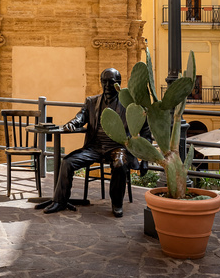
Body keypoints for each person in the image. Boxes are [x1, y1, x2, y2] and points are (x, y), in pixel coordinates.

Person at [44, 67, 149, 217]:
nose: (106, 86)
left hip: (118, 147)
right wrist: (73, 123)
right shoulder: (91, 101)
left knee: (119, 164)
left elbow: (145, 130)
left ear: (118, 83)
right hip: (94, 147)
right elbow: (81, 116)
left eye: (110, 82)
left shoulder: (129, 105)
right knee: (67, 162)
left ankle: (117, 203)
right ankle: (60, 201)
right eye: (104, 82)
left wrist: (145, 159)